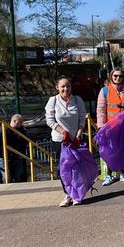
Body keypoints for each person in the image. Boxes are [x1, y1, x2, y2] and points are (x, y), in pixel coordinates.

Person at [45, 76, 87, 207]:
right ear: (57, 87)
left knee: (76, 168)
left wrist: (78, 136)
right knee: (63, 168)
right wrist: (63, 132)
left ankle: (77, 195)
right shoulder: (53, 101)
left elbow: (82, 120)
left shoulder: (77, 100)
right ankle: (68, 194)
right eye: (62, 86)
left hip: (75, 139)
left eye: (68, 86)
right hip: (60, 140)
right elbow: (50, 120)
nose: (65, 88)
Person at [96, 67, 124, 186]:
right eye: (115, 76)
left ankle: (123, 173)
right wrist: (101, 126)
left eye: (120, 76)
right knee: (110, 151)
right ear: (111, 76)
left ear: (123, 77)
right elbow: (100, 110)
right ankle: (109, 175)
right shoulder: (105, 91)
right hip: (110, 127)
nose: (117, 78)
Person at [0, 114, 28, 183]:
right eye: (19, 122)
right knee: (7, 177)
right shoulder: (4, 129)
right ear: (14, 121)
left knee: (17, 176)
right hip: (4, 156)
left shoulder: (22, 130)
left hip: (17, 157)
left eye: (21, 123)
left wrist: (23, 153)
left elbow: (25, 142)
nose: (21, 124)